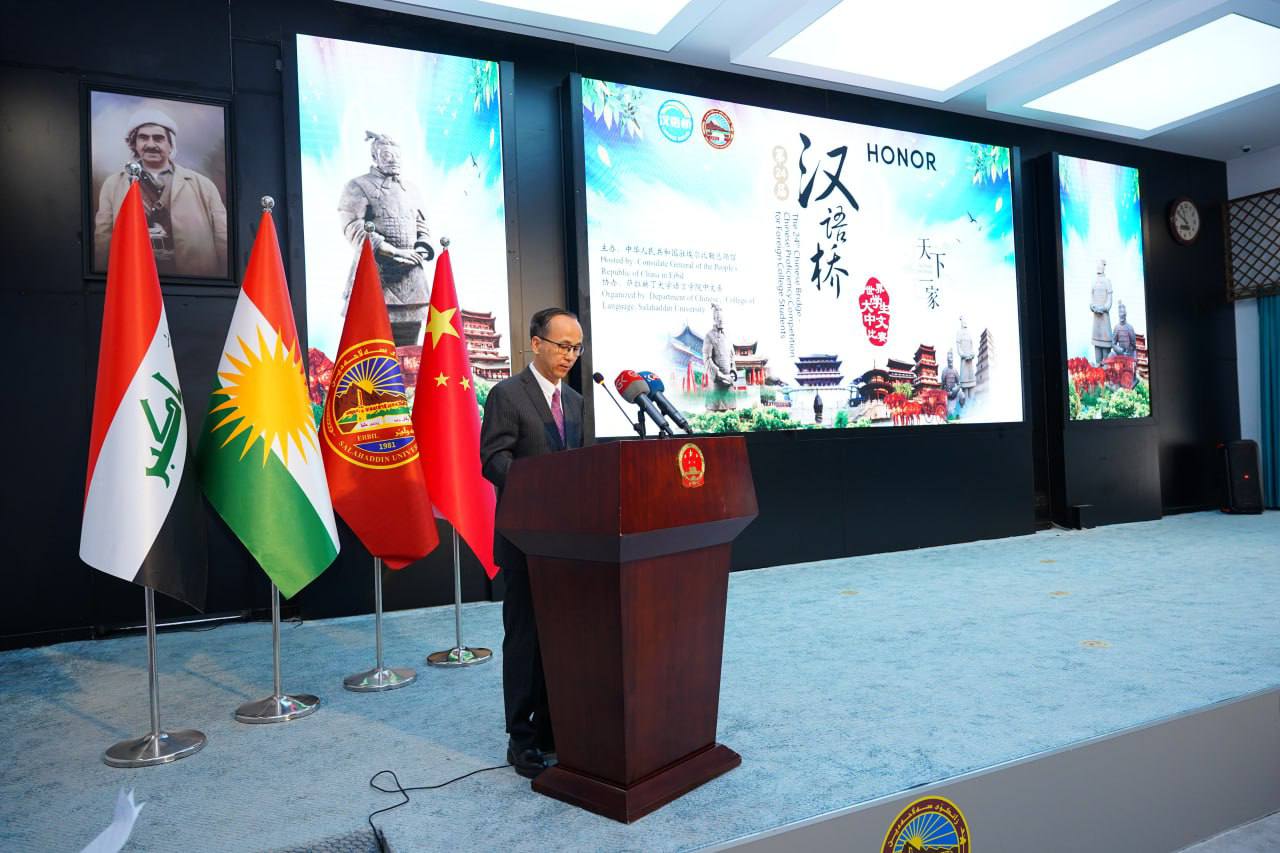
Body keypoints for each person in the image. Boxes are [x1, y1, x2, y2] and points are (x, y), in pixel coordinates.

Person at [479, 307, 585, 780]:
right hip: (523, 540)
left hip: (568, 543)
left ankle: (553, 728)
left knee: (563, 637)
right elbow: (492, 458)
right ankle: (521, 738)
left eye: (576, 348)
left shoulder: (576, 401)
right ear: (537, 343)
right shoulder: (507, 394)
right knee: (525, 639)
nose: (570, 355)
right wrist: (537, 485)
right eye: (562, 345)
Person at [94, 108, 227, 278]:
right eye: (143, 138)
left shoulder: (203, 186)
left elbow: (223, 239)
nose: (150, 145)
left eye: (158, 138)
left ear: (170, 144)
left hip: (192, 283)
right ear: (134, 143)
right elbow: (102, 240)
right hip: (132, 282)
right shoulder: (113, 185)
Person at [338, 132, 434, 347]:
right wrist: (392, 250)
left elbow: (422, 225)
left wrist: (422, 248)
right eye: (387, 155)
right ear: (375, 156)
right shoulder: (358, 186)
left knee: (409, 354)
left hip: (412, 281)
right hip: (375, 276)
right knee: (374, 355)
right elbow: (352, 226)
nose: (393, 160)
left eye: (397, 155)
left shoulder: (411, 189)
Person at [703, 303, 737, 411]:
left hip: (729, 384)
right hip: (716, 385)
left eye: (722, 319)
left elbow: (732, 357)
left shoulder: (727, 337)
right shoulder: (709, 336)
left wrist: (732, 372)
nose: (721, 321)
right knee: (715, 414)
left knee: (731, 414)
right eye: (718, 318)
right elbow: (707, 360)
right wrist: (722, 376)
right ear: (714, 319)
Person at [1089, 259, 1114, 366]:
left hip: (1104, 320)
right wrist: (1093, 307)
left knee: (1105, 352)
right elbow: (1091, 300)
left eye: (1101, 266)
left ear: (1104, 267)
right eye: (1098, 266)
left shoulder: (1107, 282)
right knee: (1097, 348)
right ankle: (1098, 370)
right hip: (1096, 321)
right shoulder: (1093, 282)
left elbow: (1109, 302)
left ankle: (1106, 370)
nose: (1099, 268)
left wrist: (1103, 308)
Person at [956, 316, 976, 392]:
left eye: (965, 321)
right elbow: (959, 348)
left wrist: (972, 354)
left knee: (972, 384)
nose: (964, 323)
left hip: (970, 361)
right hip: (964, 361)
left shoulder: (969, 333)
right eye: (963, 321)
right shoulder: (959, 332)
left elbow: (971, 346)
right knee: (965, 386)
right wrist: (964, 355)